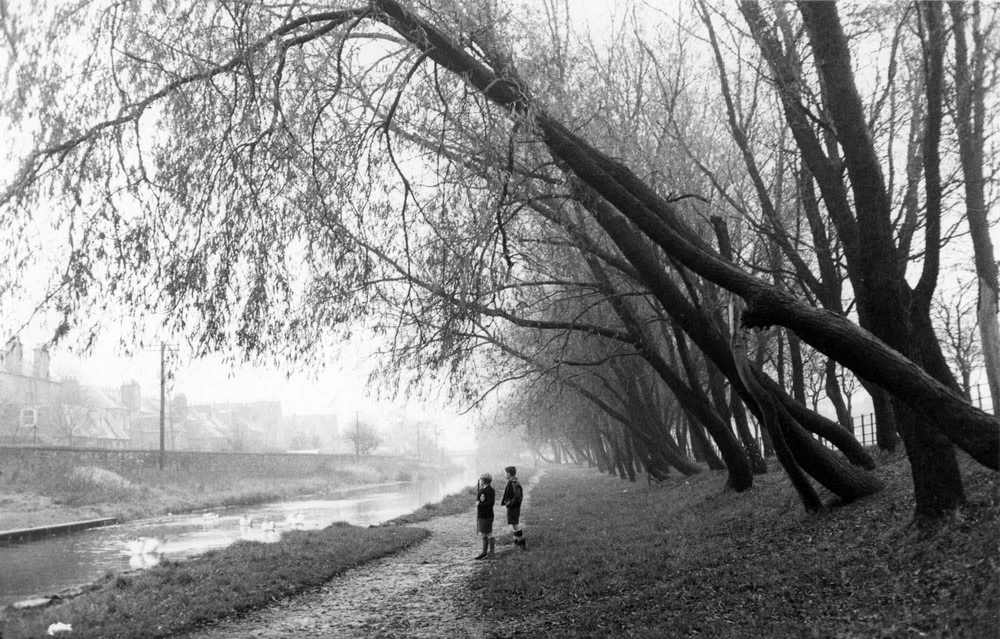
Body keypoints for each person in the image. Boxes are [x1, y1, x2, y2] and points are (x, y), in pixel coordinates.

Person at [501, 465, 525, 550]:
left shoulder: (514, 482)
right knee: (514, 524)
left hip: (514, 507)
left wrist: (509, 503)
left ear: (509, 474)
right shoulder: (512, 481)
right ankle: (516, 541)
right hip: (513, 506)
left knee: (515, 524)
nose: (505, 475)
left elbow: (517, 497)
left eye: (506, 473)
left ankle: (521, 542)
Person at [474, 472, 495, 560]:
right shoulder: (484, 490)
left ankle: (489, 552)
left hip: (486, 515)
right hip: (484, 515)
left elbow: (490, 503)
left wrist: (479, 504)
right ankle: (486, 552)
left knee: (487, 533)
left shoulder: (487, 490)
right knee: (484, 533)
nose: (480, 481)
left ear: (484, 481)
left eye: (481, 479)